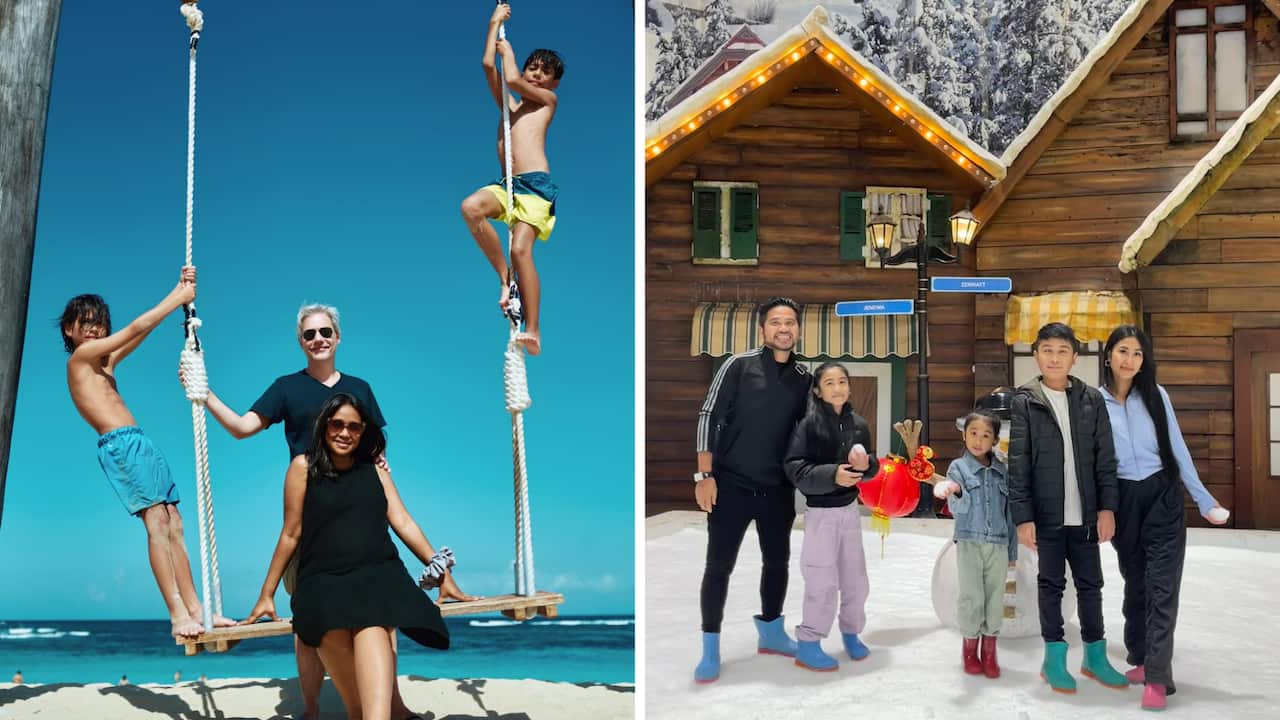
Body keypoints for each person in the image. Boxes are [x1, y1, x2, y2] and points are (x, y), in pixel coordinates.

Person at [195, 303, 471, 720]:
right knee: (313, 620)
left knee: (378, 613)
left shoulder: (359, 389)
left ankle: (390, 706)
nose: (319, 339)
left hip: (359, 520)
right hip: (313, 522)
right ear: (300, 341)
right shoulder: (287, 389)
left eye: (326, 331)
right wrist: (204, 393)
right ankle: (310, 708)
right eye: (309, 334)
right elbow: (240, 428)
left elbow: (383, 462)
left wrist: (379, 464)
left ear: (338, 337)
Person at [244, 393, 450, 720]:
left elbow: (403, 521)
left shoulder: (376, 472)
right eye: (337, 424)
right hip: (321, 578)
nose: (345, 433)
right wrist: (266, 593)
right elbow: (290, 533)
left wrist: (439, 569)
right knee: (327, 622)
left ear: (364, 430)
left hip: (377, 571)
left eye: (354, 427)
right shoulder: (302, 467)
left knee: (372, 622)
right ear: (324, 425)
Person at [60, 267, 234, 639]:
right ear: (69, 331)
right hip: (120, 445)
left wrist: (179, 295)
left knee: (174, 522)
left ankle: (198, 610)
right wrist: (177, 298)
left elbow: (141, 333)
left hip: (139, 441)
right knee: (156, 524)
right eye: (85, 323)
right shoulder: (81, 358)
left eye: (99, 323)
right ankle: (176, 613)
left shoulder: (104, 364)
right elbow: (136, 326)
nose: (93, 329)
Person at [1100, 324, 1229, 711]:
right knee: (1135, 583)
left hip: (1162, 497)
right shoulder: (1093, 402)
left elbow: (1177, 448)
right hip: (1124, 501)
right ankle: (1141, 659)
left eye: (1137, 354)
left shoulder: (1155, 395)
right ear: (1108, 356)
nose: (1130, 360)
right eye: (1123, 351)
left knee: (1162, 586)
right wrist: (1100, 509)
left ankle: (1157, 676)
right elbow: (1093, 463)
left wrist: (1203, 500)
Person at [692, 297, 811, 683]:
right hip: (731, 485)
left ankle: (772, 634)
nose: (783, 329)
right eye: (776, 322)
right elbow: (708, 414)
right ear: (763, 329)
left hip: (777, 489)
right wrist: (703, 475)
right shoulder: (738, 366)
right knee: (718, 567)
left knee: (777, 563)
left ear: (798, 329)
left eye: (790, 322)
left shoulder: (804, 378)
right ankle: (710, 648)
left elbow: (812, 431)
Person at [1008, 322, 1127, 693]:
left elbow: (1106, 459)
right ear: (1036, 355)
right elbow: (1018, 464)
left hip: (1087, 515)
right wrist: (1023, 517)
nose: (1055, 357)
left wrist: (1107, 508)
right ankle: (1053, 659)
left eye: (1063, 351)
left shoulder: (1092, 400)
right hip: (1046, 516)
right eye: (1047, 350)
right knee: (1051, 585)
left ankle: (1095, 657)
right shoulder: (1025, 400)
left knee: (1092, 585)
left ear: (1075, 357)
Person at [460, 2, 564, 356]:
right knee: (471, 208)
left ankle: (533, 329)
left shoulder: (548, 102)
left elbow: (513, 77)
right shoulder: (511, 109)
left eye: (543, 71)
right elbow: (490, 66)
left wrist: (513, 55)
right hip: (508, 187)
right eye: (533, 67)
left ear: (554, 82)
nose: (535, 75)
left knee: (522, 249)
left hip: (535, 186)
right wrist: (494, 25)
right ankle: (506, 279)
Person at [783, 362, 876, 672]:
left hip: (850, 512)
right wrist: (833, 475)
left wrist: (866, 466)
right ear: (818, 390)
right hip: (821, 515)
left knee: (855, 579)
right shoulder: (808, 425)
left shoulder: (859, 423)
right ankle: (808, 643)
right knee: (821, 579)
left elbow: (871, 465)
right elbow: (795, 467)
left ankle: (851, 633)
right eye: (830, 383)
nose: (837, 388)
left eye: (842, 381)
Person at [934, 412, 1017, 678]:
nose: (978, 440)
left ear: (994, 440)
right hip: (970, 542)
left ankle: (990, 653)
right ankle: (969, 651)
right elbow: (959, 509)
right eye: (973, 433)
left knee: (995, 599)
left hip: (999, 545)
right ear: (964, 434)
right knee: (972, 597)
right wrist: (957, 492)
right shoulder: (958, 468)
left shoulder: (1002, 471)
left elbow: (1010, 514)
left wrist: (1012, 550)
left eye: (985, 435)